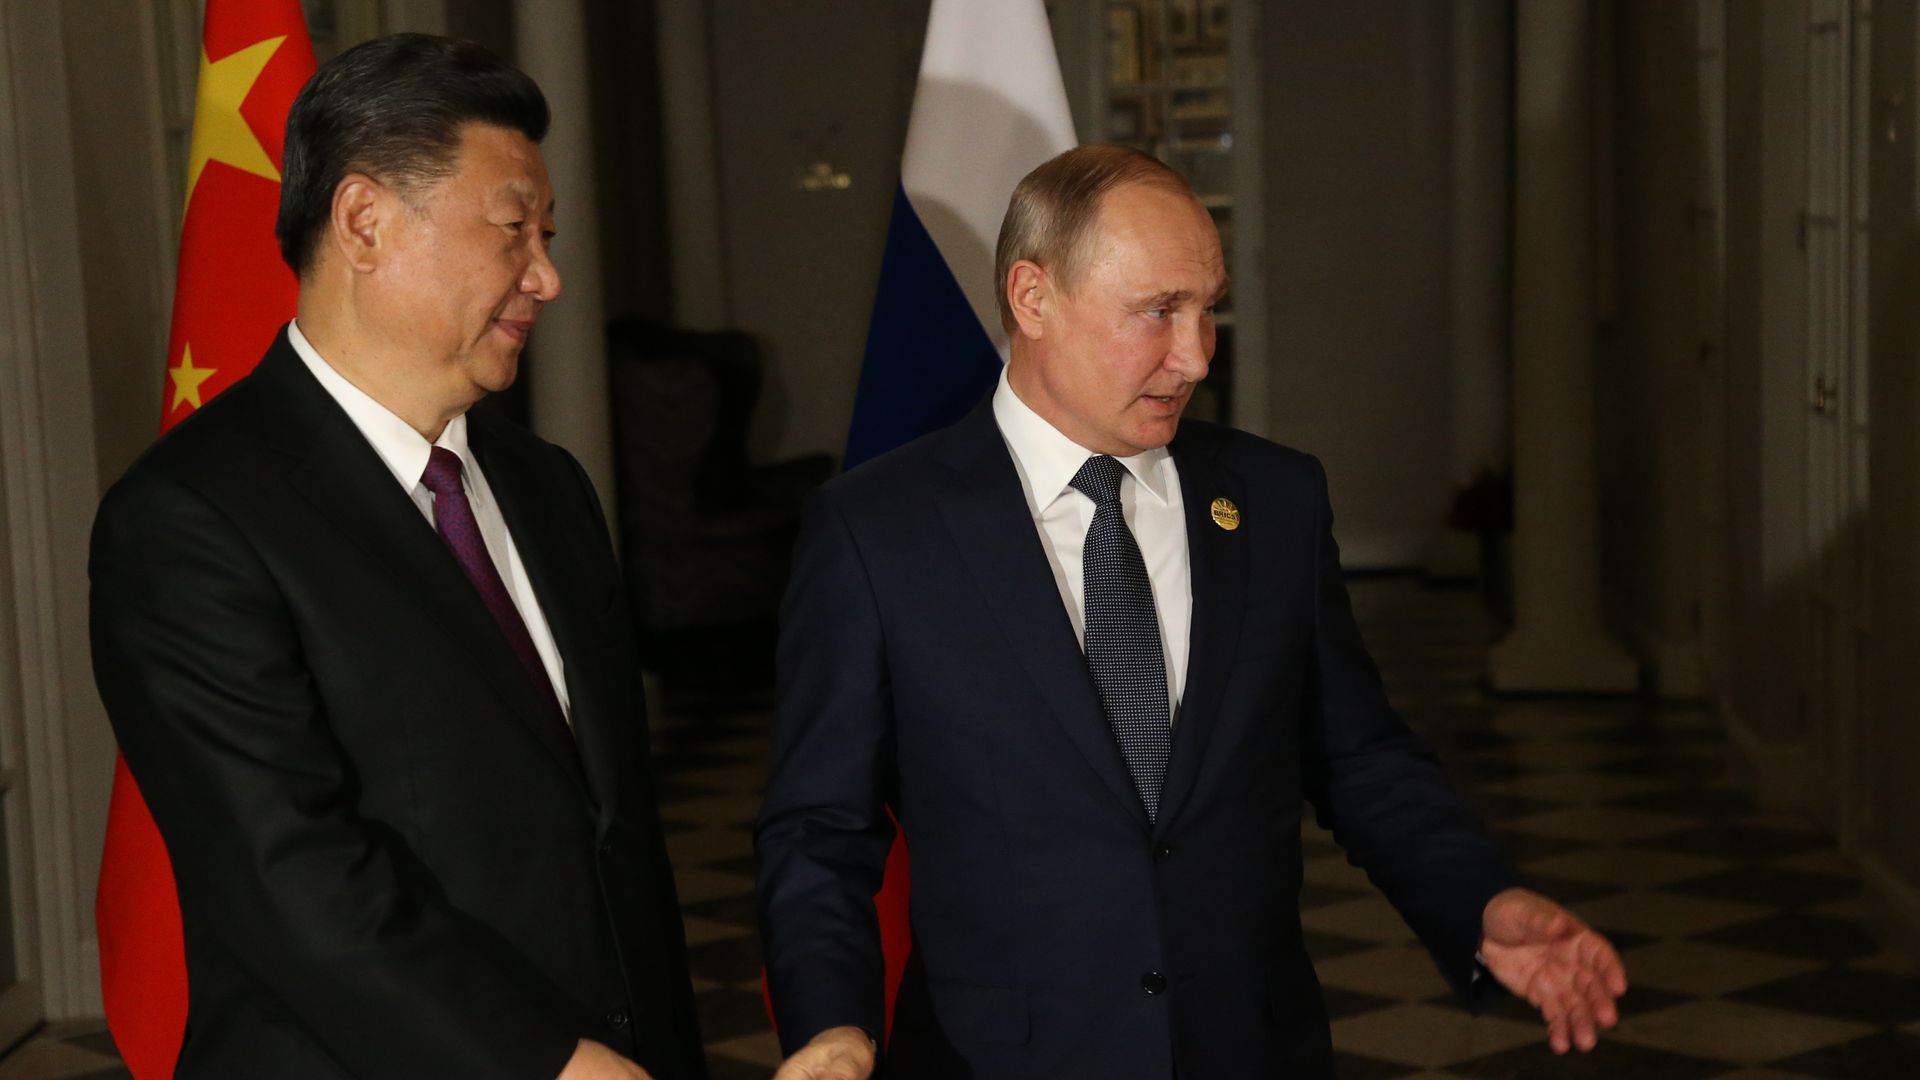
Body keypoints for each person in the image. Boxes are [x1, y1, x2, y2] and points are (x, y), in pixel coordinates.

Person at [755, 145, 1627, 1080]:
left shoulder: (1276, 500)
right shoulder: (879, 532)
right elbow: (819, 828)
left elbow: (1360, 757)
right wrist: (832, 1025)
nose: (1198, 355)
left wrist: (1478, 900)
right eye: (1158, 311)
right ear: (1032, 297)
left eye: (1207, 308)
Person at [90, 34, 703, 1080]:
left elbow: (614, 841)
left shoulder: (549, 488)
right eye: (514, 232)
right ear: (366, 222)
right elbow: (291, 881)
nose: (547, 277)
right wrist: (550, 1062)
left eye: (547, 235)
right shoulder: (189, 521)